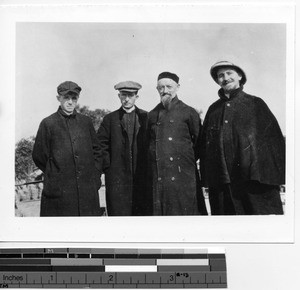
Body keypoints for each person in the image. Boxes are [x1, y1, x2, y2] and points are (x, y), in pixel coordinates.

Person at [200, 61, 285, 215]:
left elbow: (275, 143)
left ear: (239, 75)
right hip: (223, 187)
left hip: (254, 186)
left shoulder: (255, 104)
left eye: (229, 73)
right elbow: (204, 148)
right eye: (221, 75)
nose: (225, 78)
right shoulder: (213, 110)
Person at [32, 81, 102, 216]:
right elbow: (39, 156)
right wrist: (55, 175)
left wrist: (95, 177)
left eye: (74, 98)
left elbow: (97, 152)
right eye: (66, 98)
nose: (70, 102)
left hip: (87, 191)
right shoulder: (48, 123)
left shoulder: (85, 122)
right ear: (58, 98)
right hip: (60, 194)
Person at [148, 72, 208, 215]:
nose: (165, 91)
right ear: (157, 89)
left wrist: (184, 160)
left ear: (177, 87)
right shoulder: (151, 115)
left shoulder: (188, 112)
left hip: (183, 176)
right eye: (161, 87)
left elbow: (200, 143)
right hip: (159, 177)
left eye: (169, 86)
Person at [97, 81, 149, 216]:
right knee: (119, 217)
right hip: (117, 180)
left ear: (136, 97)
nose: (126, 99)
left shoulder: (146, 117)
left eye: (130, 95)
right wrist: (110, 168)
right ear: (118, 96)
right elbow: (100, 146)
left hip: (142, 178)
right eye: (123, 95)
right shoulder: (109, 119)